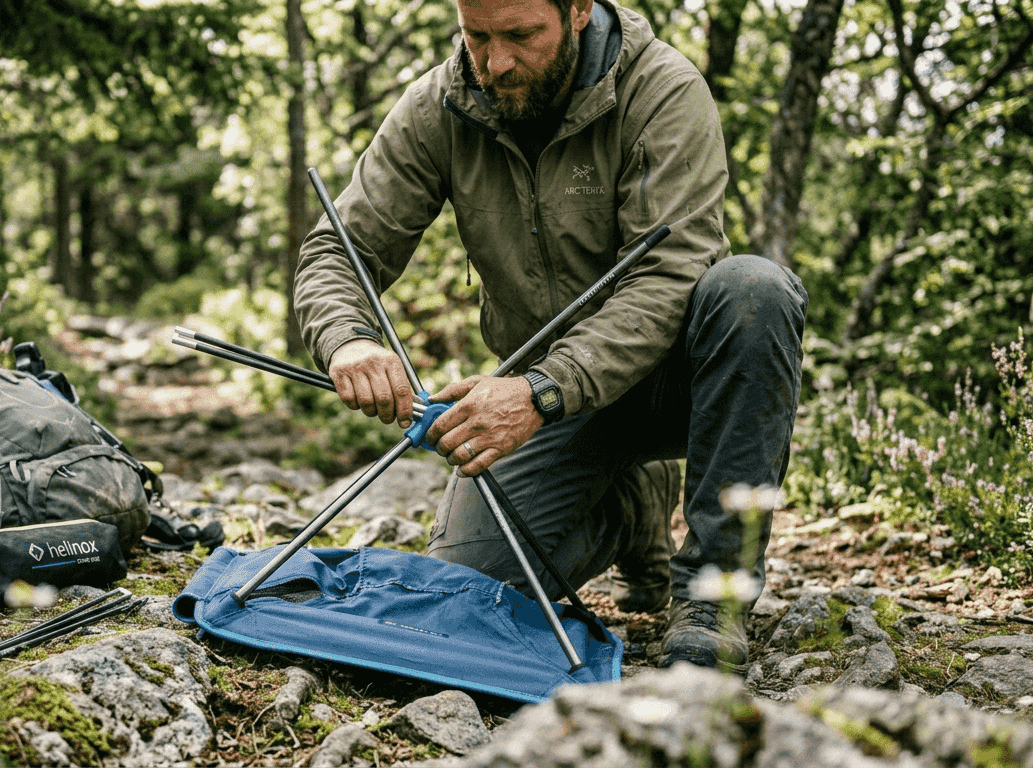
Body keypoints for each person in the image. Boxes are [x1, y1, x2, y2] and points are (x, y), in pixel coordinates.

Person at [293, 0, 807, 669]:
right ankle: (630, 509)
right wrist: (349, 338)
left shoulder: (664, 90)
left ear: (578, 11)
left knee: (755, 290)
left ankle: (715, 593)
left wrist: (538, 390)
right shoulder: (437, 105)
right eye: (476, 36)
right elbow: (340, 251)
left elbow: (669, 277)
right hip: (550, 404)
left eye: (520, 35)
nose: (495, 62)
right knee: (468, 594)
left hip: (672, 381)